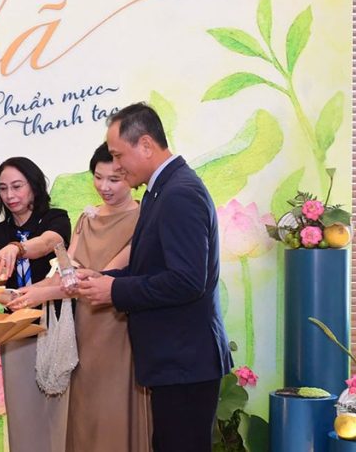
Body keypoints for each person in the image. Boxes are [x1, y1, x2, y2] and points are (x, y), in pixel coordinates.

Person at [77, 103, 232, 452]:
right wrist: (102, 278)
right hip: (174, 361)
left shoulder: (180, 193)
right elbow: (151, 267)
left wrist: (115, 290)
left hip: (185, 361)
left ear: (146, 145)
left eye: (119, 155)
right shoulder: (160, 190)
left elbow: (187, 280)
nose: (116, 166)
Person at [8, 144, 152, 452]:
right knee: (85, 414)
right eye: (98, 177)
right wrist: (25, 292)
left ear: (129, 176)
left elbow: (98, 279)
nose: (104, 187)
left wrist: (38, 294)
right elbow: (67, 273)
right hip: (83, 328)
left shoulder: (143, 219)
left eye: (114, 179)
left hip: (119, 329)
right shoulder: (87, 218)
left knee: (114, 412)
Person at [0, 157, 72, 452]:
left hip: (54, 327)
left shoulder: (56, 218)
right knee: (22, 414)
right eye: (3, 188)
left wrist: (17, 249)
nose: (10, 195)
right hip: (15, 331)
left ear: (34, 186)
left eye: (17, 186)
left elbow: (49, 243)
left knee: (58, 414)